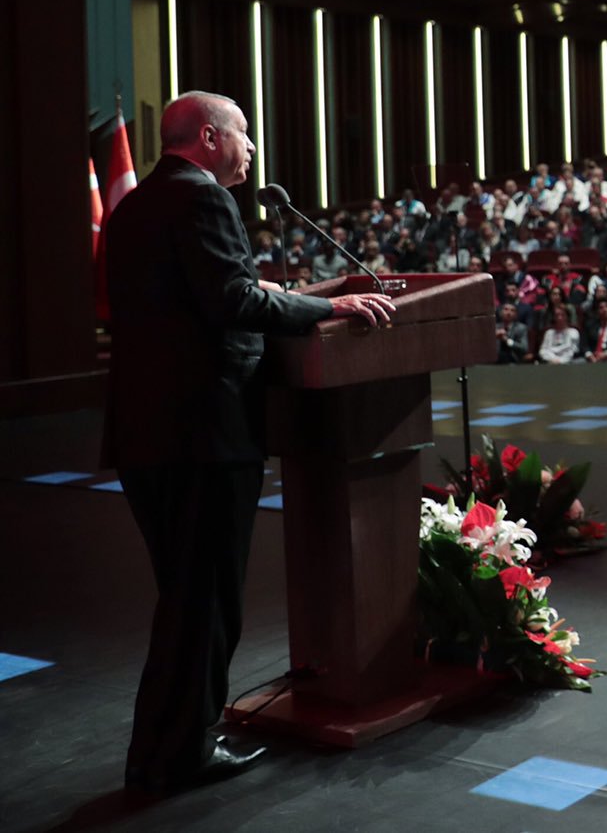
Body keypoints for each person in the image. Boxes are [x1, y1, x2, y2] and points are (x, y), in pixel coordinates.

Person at [103, 91, 394, 795]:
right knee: (204, 603)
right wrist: (330, 305)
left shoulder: (134, 205)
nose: (252, 147)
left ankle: (158, 753)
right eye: (243, 133)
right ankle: (181, 755)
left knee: (183, 599)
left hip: (145, 434)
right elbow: (231, 301)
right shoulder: (203, 198)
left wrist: (271, 290)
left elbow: (183, 297)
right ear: (209, 138)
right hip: (203, 434)